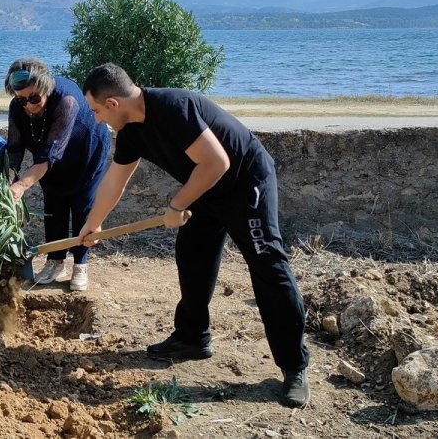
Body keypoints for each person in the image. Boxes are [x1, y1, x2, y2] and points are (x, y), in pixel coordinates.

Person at [77, 63, 310, 408]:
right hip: (206, 188)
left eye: (96, 111)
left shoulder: (173, 107)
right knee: (193, 254)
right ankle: (192, 338)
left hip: (246, 182)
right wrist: (93, 224)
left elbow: (217, 162)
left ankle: (294, 368)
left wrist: (176, 204)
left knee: (268, 267)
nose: (96, 119)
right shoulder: (131, 132)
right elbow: (115, 181)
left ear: (113, 103)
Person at [4, 58, 111, 291]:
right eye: (21, 99)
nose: (29, 106)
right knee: (53, 205)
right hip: (50, 159)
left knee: (82, 206)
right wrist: (7, 182)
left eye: (34, 99)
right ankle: (55, 261)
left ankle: (81, 264)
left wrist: (21, 186)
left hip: (86, 154)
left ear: (45, 89)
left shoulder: (66, 102)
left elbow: (47, 158)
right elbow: (14, 151)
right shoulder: (18, 107)